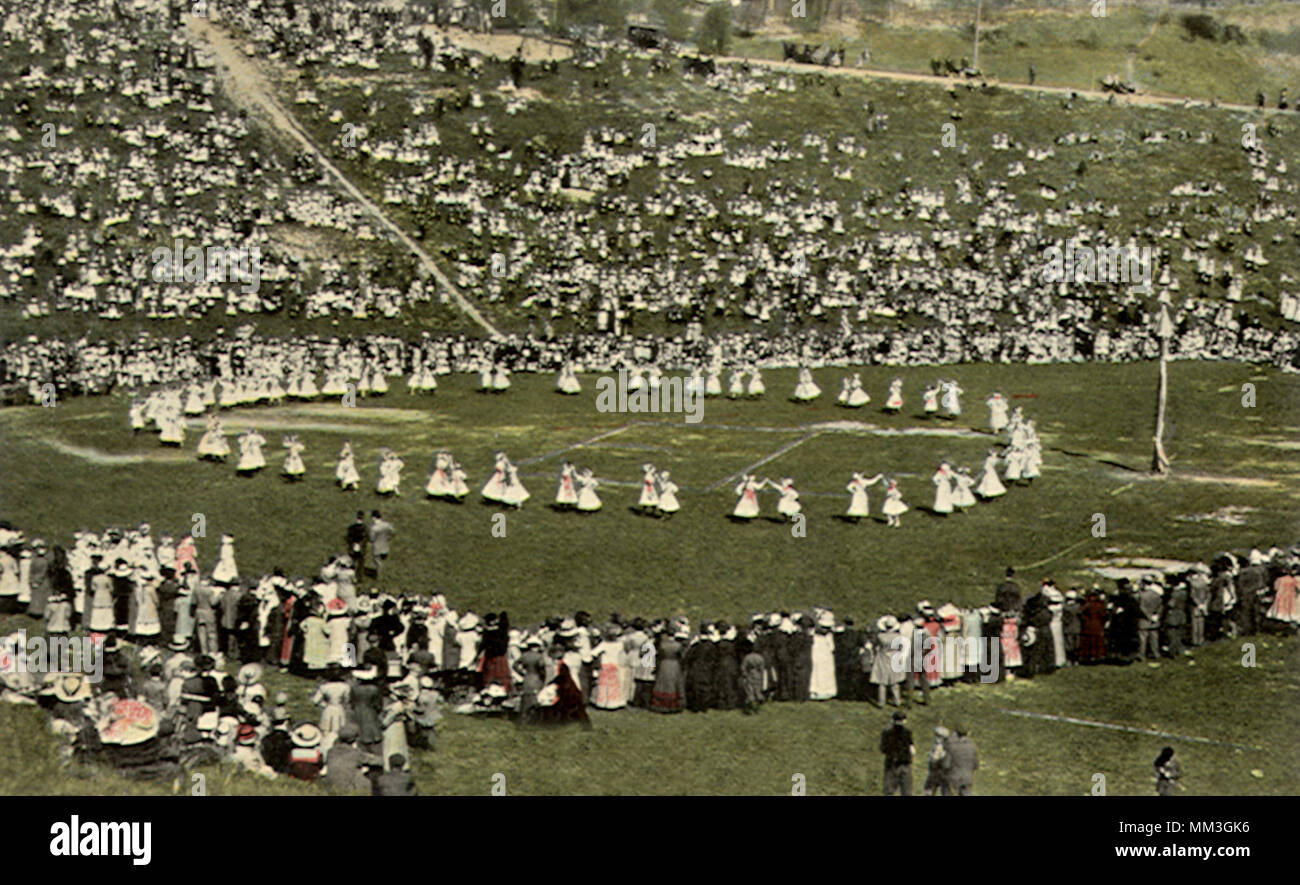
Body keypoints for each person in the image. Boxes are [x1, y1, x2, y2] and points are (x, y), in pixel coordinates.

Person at [880, 710, 914, 796]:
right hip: (905, 764)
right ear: (905, 721)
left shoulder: (886, 733)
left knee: (889, 790)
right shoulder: (907, 733)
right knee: (906, 791)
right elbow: (912, 750)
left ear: (892, 720)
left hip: (892, 764)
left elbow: (883, 749)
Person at [943, 725, 979, 795]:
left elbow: (946, 764)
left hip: (954, 776)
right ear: (968, 733)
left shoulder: (952, 747)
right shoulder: (972, 747)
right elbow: (976, 765)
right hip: (967, 777)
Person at [368, 511, 394, 577]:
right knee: (382, 562)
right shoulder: (387, 525)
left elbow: (371, 539)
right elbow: (392, 532)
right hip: (385, 547)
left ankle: (380, 576)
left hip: (377, 548)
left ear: (374, 518)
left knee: (377, 563)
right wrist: (388, 538)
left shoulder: (374, 528)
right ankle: (384, 575)